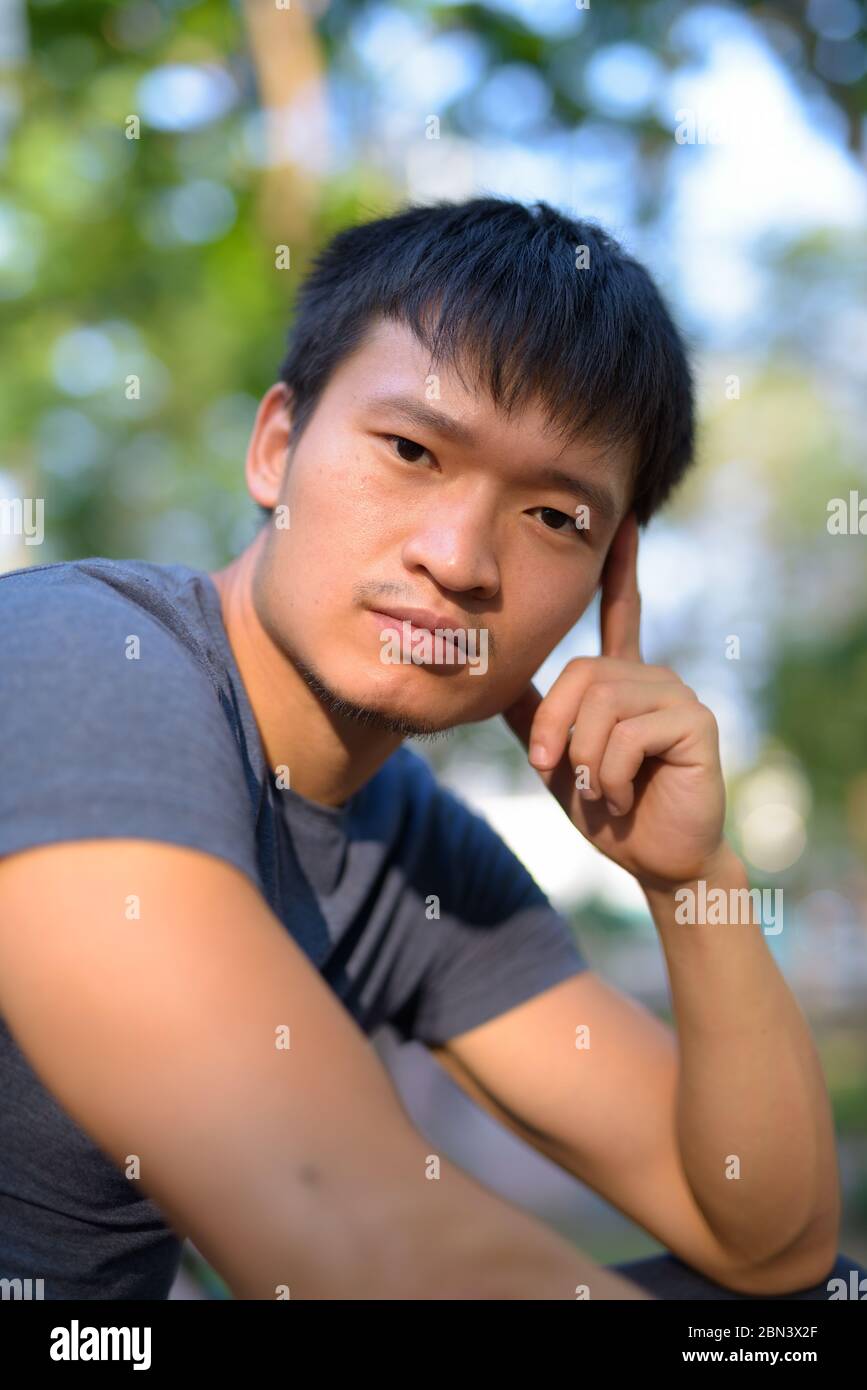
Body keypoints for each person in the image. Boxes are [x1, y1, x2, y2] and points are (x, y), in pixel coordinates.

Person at [0, 198, 856, 1301]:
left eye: (554, 517)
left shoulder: (408, 849)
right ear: (276, 447)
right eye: (410, 449)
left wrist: (695, 881)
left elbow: (768, 1243)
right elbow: (339, 1223)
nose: (459, 560)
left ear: (604, 585)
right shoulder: (82, 657)